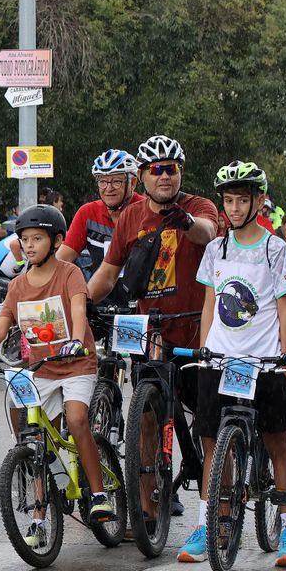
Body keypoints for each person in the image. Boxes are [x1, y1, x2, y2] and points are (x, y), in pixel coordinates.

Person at [177, 161, 286, 567]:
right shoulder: (216, 248)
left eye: (242, 200)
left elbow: (284, 306)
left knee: (277, 443)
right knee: (211, 443)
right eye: (228, 200)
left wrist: (284, 359)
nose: (233, 208)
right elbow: (209, 303)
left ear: (258, 201)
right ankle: (207, 525)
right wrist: (204, 351)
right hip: (220, 359)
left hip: (263, 361)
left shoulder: (274, 248)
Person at [0, 204, 114, 541]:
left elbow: (78, 309)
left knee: (77, 419)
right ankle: (40, 517)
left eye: (37, 239)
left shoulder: (70, 273)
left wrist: (76, 341)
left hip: (77, 363)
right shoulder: (18, 285)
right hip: (42, 369)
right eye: (25, 239)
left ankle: (99, 494)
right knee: (35, 438)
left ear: (57, 241)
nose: (29, 245)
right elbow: (2, 322)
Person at [87, 135, 220, 516]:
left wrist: (186, 222)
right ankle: (146, 511)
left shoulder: (199, 206)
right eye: (156, 169)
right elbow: (108, 273)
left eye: (171, 169)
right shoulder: (131, 217)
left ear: (180, 173)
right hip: (150, 330)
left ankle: (217, 511)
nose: (164, 176)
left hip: (196, 332)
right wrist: (80, 303)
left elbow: (207, 232)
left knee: (209, 423)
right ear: (142, 176)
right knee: (146, 417)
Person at [58, 149, 143, 281]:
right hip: (100, 291)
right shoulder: (87, 213)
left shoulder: (147, 210)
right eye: (103, 181)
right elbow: (61, 260)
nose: (108, 188)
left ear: (133, 183)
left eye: (116, 181)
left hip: (141, 291)